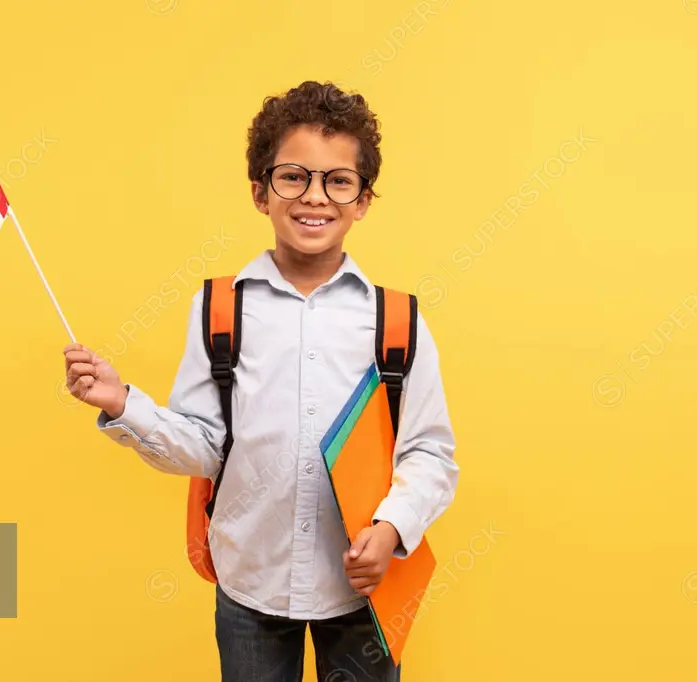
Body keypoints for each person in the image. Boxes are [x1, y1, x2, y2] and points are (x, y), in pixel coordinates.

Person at [64, 80, 458, 682]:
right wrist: (124, 404)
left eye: (338, 181)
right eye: (293, 176)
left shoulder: (396, 320)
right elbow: (203, 446)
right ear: (260, 191)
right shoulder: (221, 311)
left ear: (363, 201)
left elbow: (430, 452)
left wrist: (393, 529)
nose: (314, 197)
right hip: (250, 582)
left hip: (361, 590)